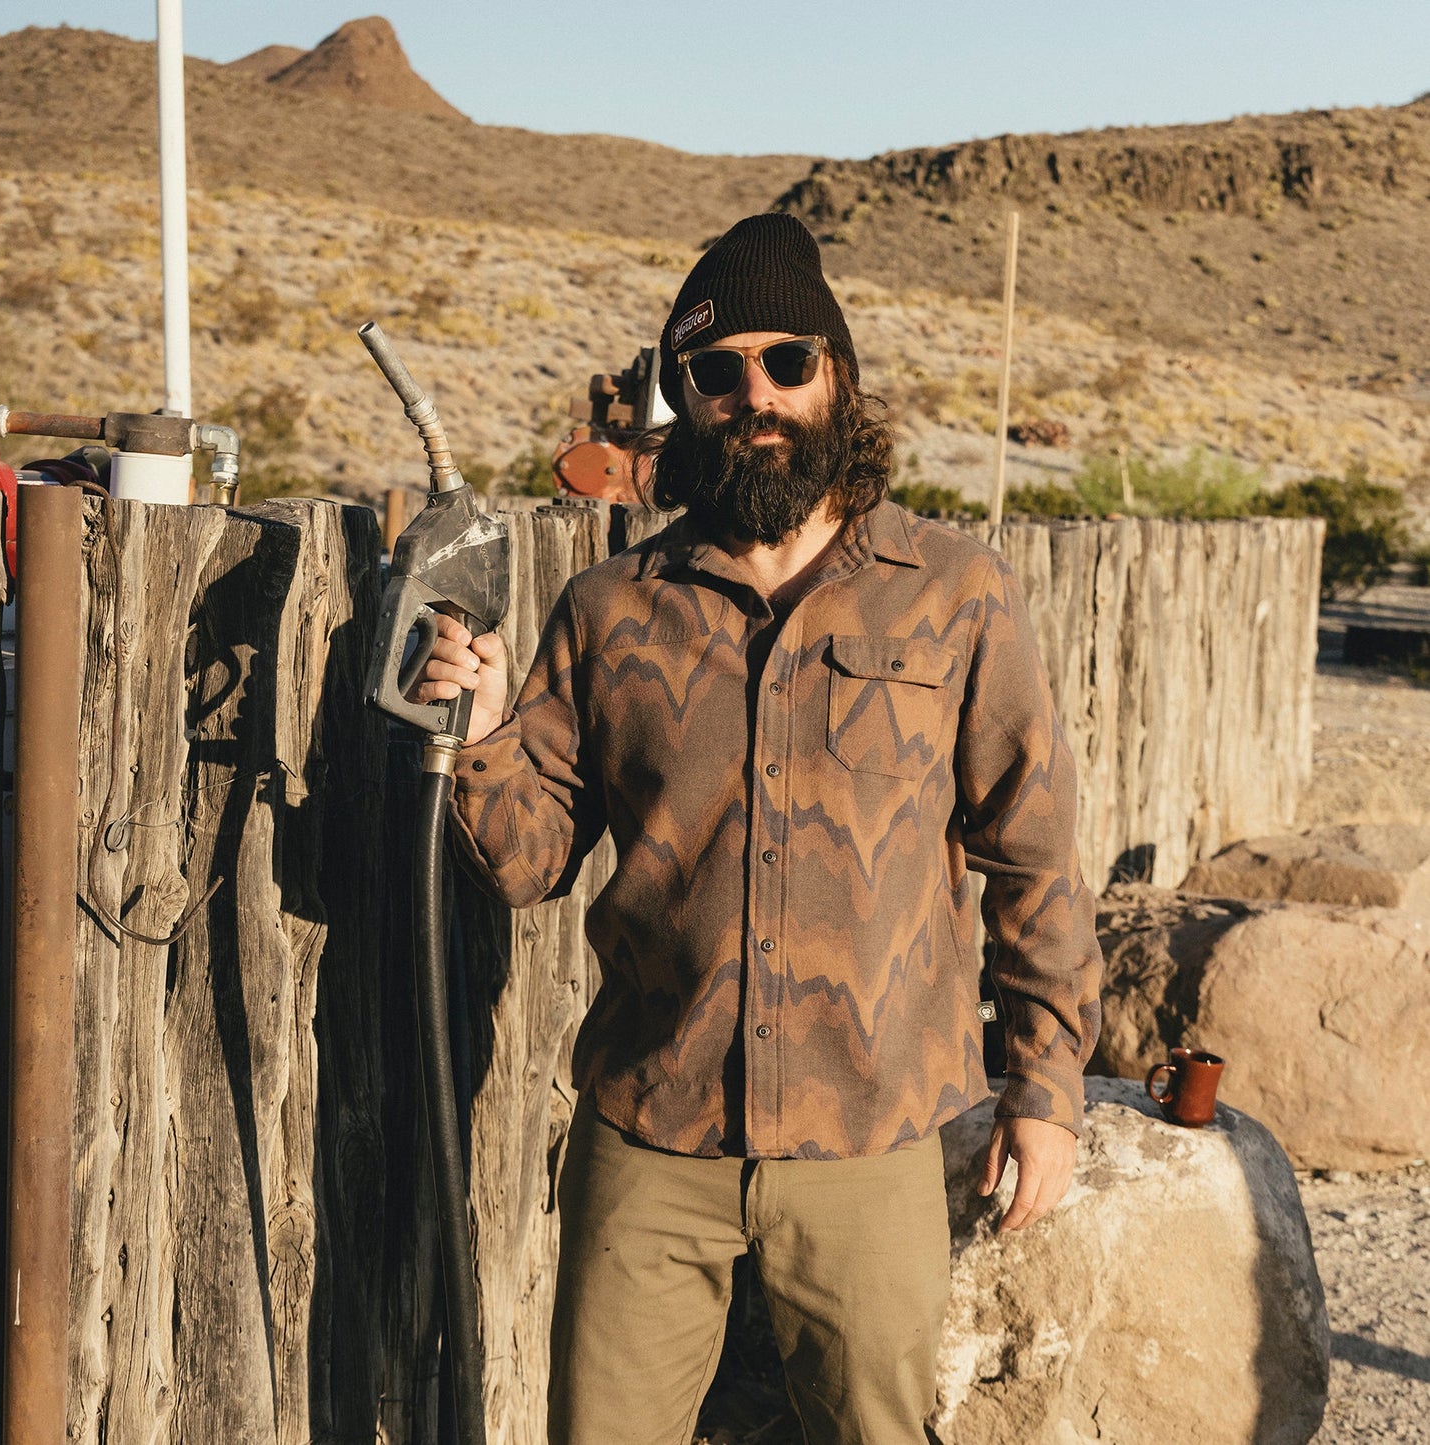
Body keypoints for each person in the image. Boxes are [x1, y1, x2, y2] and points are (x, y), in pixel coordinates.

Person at [413, 214, 1102, 1445]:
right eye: (716, 372)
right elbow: (524, 861)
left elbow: (1031, 850)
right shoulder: (612, 608)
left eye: (786, 360)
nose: (756, 394)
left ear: (835, 372)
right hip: (651, 1132)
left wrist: (1043, 1089)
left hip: (869, 1134)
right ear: (683, 396)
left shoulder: (955, 590)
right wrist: (474, 729)